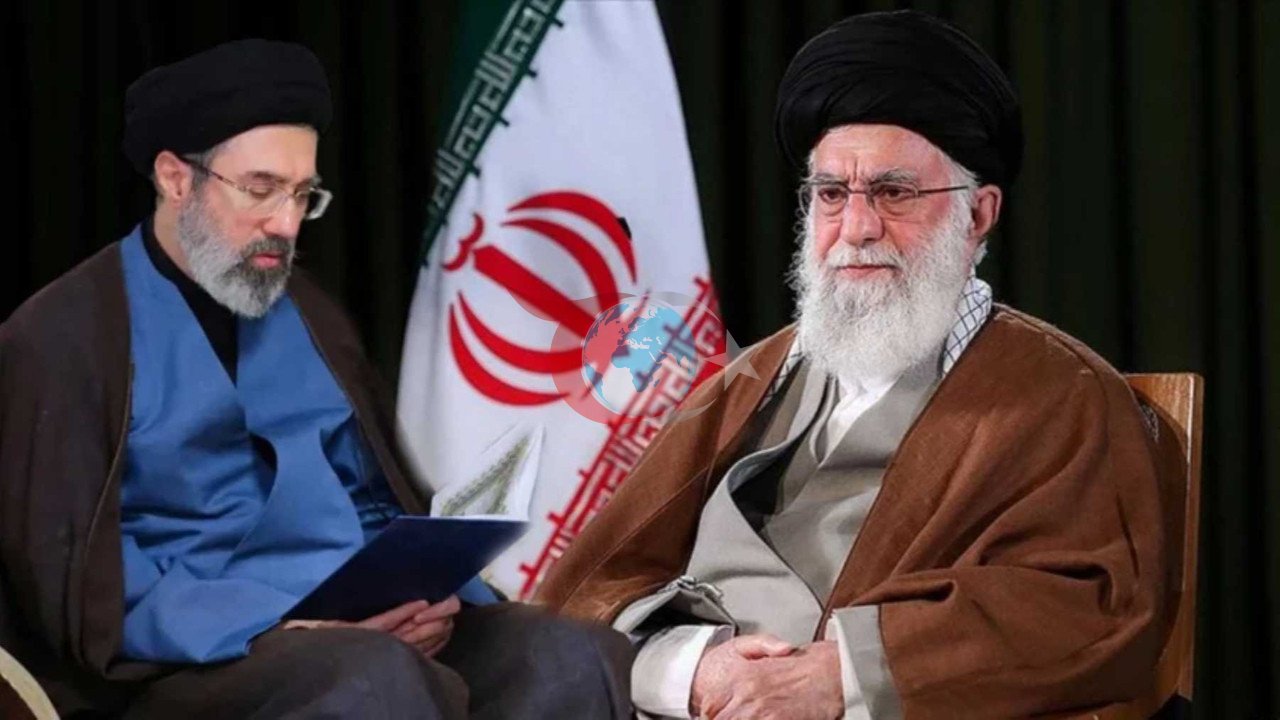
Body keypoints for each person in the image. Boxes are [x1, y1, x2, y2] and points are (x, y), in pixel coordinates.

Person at [538, 10, 1179, 719]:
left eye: (894, 193)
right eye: (831, 195)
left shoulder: (1060, 393)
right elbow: (595, 586)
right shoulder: (751, 379)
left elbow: (1091, 606)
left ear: (978, 215)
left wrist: (840, 674)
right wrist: (690, 672)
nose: (857, 227)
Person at [0, 39, 632, 719]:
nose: (286, 223)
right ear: (176, 179)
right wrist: (271, 626)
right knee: (371, 681)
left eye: (303, 195)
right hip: (192, 661)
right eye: (261, 190)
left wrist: (423, 596)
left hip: (359, 624)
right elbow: (77, 589)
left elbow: (377, 498)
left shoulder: (309, 313)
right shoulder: (63, 336)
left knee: (572, 655)